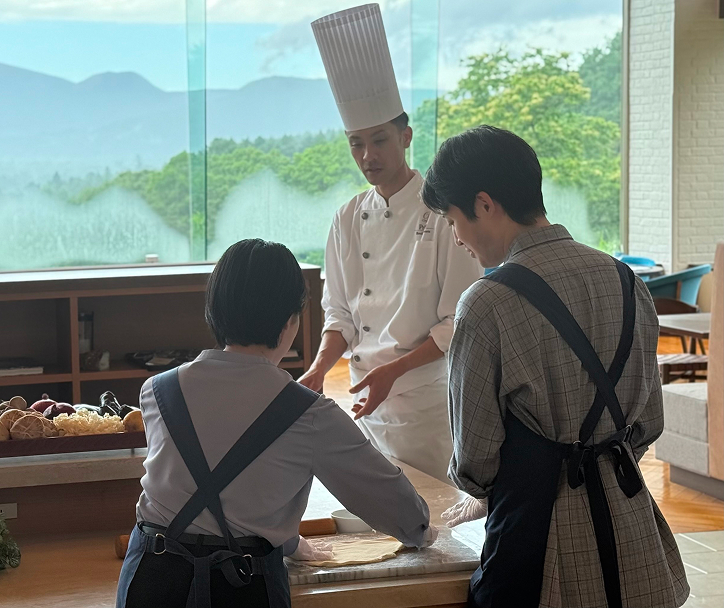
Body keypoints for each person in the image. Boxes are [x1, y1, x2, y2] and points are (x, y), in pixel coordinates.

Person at [427, 126, 689, 608]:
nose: (457, 236)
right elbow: (648, 422)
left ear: (484, 204)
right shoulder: (627, 281)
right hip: (635, 535)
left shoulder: (486, 304)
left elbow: (477, 464)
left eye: (451, 219)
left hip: (542, 548)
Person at [116, 238, 436, 608]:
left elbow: (203, 495)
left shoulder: (157, 391)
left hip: (151, 578)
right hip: (243, 587)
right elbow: (389, 499)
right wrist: (420, 531)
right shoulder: (310, 413)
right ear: (290, 323)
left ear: (213, 311)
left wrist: (291, 541)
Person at [298, 3, 481, 481]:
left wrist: (393, 372)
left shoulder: (444, 213)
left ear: (406, 137)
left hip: (425, 406)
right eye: (356, 143)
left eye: (379, 140)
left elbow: (454, 324)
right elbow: (339, 312)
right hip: (364, 400)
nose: (367, 155)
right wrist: (319, 369)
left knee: (437, 527)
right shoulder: (346, 217)